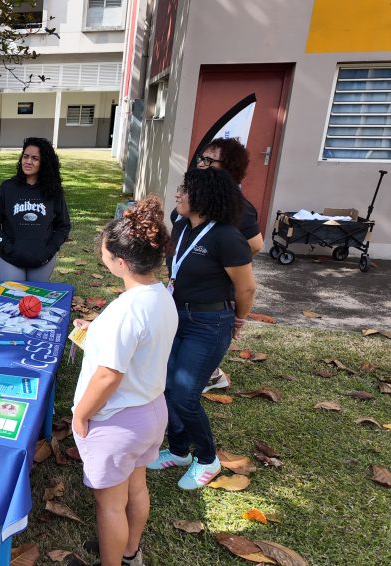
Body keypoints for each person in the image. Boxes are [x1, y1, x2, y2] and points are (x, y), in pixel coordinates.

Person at [69, 196, 177, 566]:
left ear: (120, 262)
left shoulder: (127, 311)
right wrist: (95, 329)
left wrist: (81, 415)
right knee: (137, 486)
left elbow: (108, 375)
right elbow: (138, 343)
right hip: (150, 411)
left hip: (117, 420)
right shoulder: (160, 296)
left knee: (110, 505)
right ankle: (130, 552)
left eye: (104, 251)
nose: (101, 253)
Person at [148, 168, 256, 490]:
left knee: (185, 394)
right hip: (176, 317)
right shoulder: (181, 225)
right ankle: (179, 450)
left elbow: (246, 288)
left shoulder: (227, 237)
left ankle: (207, 458)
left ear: (205, 197)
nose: (178, 194)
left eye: (185, 189)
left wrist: (238, 320)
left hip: (209, 324)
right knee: (168, 386)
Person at [191, 137, 263, 393]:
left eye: (209, 160)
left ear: (229, 167)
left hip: (215, 293)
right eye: (202, 158)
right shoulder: (197, 197)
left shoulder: (240, 208)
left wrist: (222, 258)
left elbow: (256, 245)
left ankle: (210, 375)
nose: (201, 164)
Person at [0, 137, 71, 282]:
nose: (28, 161)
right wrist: (8, 248)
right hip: (10, 260)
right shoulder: (7, 188)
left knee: (35, 303)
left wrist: (48, 251)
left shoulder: (53, 191)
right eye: (25, 156)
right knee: (12, 302)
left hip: (42, 261)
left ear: (44, 163)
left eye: (35, 158)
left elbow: (63, 226)